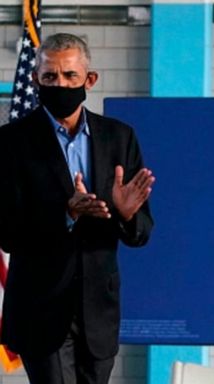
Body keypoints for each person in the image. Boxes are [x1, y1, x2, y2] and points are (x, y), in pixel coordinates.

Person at [0, 33, 155, 384]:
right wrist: (65, 215)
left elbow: (143, 231)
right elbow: (6, 231)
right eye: (51, 76)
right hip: (40, 307)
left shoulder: (120, 137)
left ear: (90, 79)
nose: (61, 84)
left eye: (70, 76)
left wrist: (127, 214)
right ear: (35, 79)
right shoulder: (10, 143)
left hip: (99, 311)